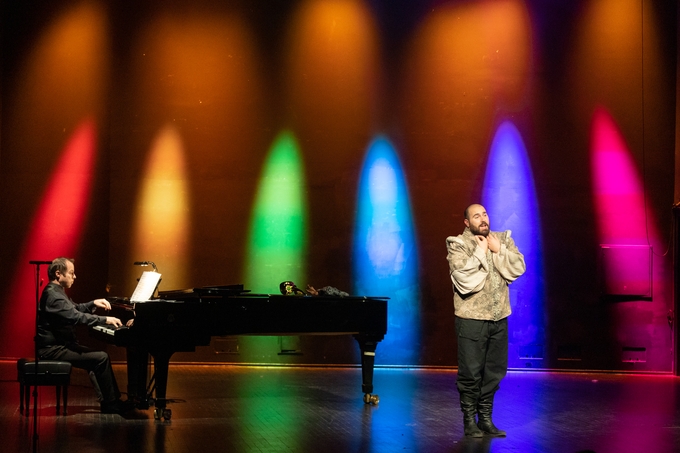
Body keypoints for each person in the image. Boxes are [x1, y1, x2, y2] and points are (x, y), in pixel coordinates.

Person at [446, 204, 526, 437]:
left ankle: (485, 419)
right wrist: (481, 253)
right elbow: (463, 278)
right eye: (476, 216)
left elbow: (518, 266)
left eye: (484, 214)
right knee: (471, 373)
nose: (482, 219)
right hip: (472, 319)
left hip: (499, 318)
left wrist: (498, 249)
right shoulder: (458, 244)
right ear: (467, 222)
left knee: (494, 372)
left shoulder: (502, 239)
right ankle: (469, 421)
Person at [36, 257, 131, 414]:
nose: (75, 276)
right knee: (101, 358)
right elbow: (76, 317)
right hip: (53, 349)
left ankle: (108, 401)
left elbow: (75, 309)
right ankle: (111, 403)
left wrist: (93, 303)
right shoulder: (54, 296)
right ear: (58, 274)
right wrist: (105, 319)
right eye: (71, 273)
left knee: (97, 358)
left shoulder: (56, 291)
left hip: (61, 346)